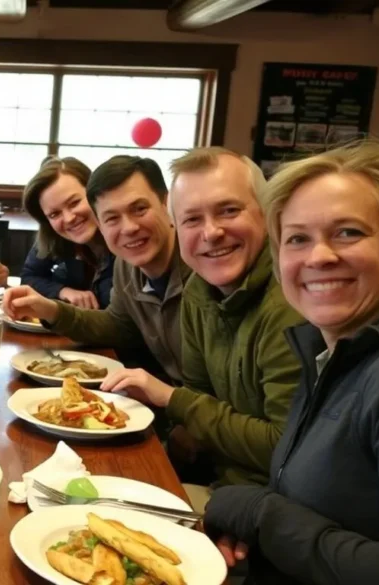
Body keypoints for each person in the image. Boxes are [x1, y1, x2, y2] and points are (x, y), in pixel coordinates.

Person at [205, 140, 379, 584]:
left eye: (348, 232)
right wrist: (254, 529)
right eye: (297, 238)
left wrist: (262, 515)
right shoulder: (332, 349)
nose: (319, 256)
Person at [98, 148, 304, 508]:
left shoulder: (291, 303)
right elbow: (198, 392)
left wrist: (169, 399)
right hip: (224, 483)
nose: (212, 232)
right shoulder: (199, 289)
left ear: (268, 212)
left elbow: (286, 448)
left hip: (271, 504)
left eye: (229, 210)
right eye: (193, 219)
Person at [3, 155, 190, 384]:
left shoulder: (200, 263)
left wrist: (169, 399)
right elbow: (117, 324)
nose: (129, 228)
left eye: (139, 209)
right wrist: (51, 309)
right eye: (112, 218)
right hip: (141, 384)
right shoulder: (126, 262)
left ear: (166, 203)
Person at [19, 156, 114, 310]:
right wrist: (62, 291)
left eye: (74, 203)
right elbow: (29, 277)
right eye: (54, 214)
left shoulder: (124, 241)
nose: (69, 218)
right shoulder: (54, 236)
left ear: (94, 193)